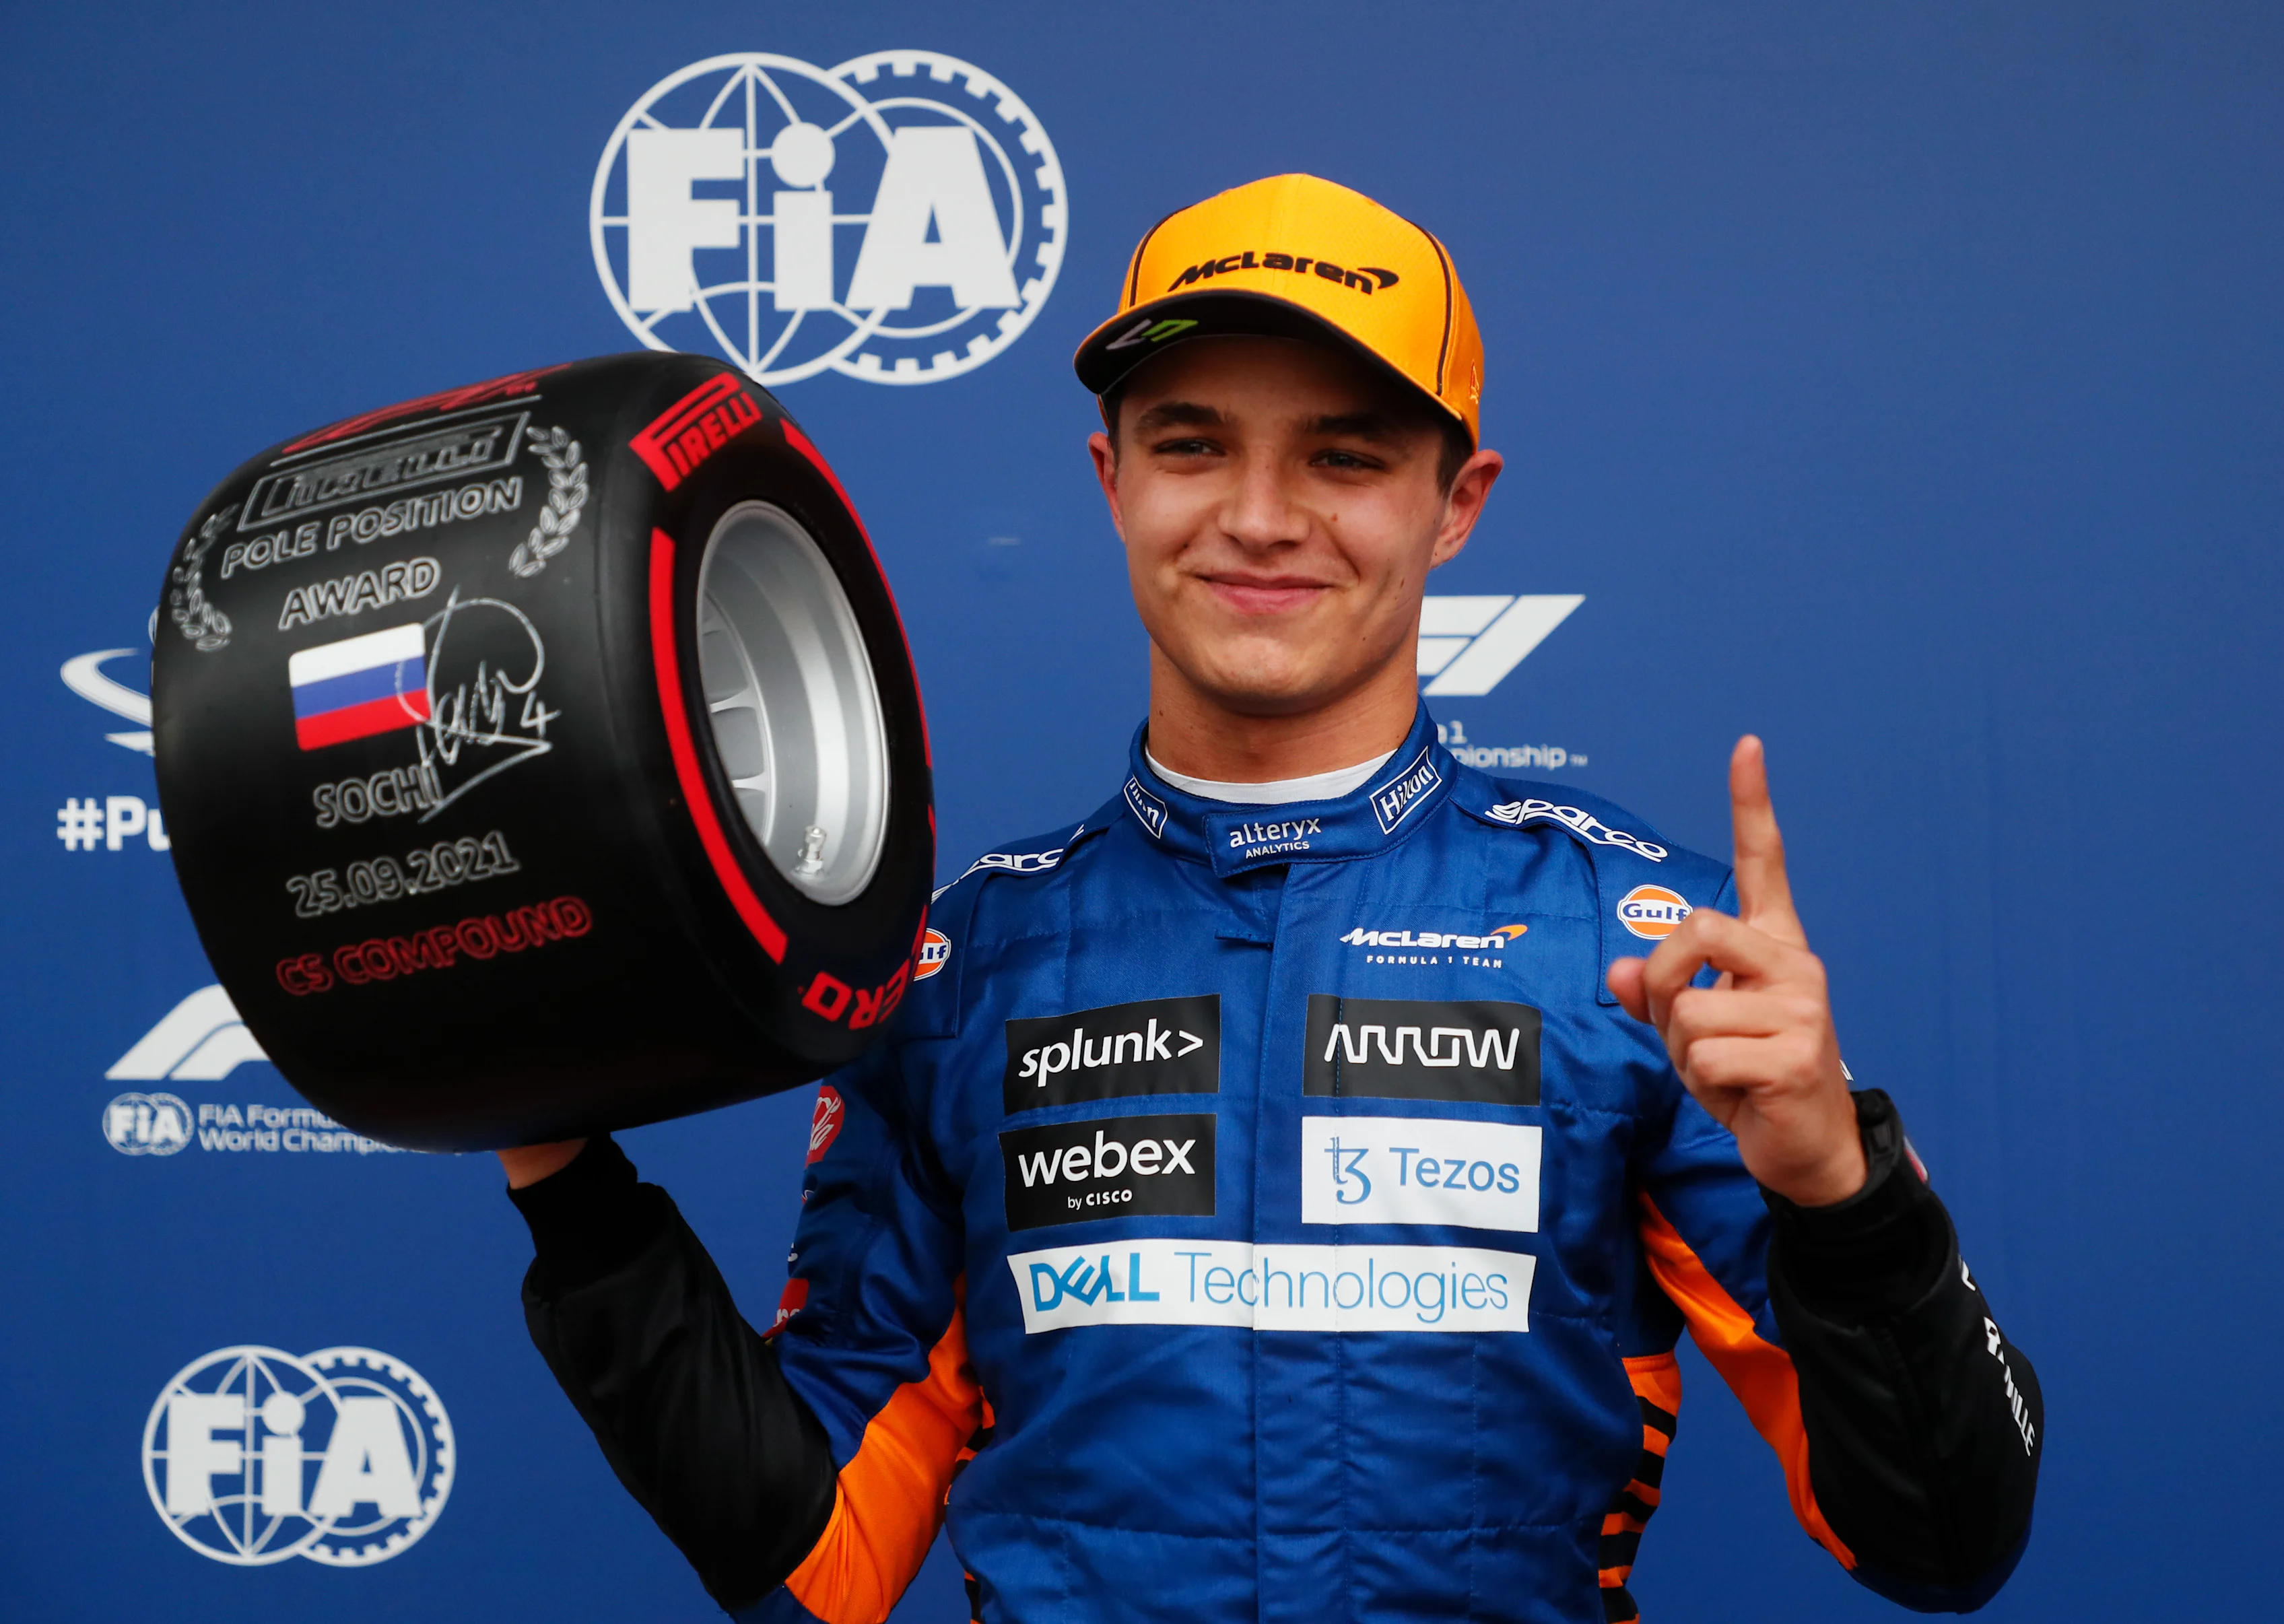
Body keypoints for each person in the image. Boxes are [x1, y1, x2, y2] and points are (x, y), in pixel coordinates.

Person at [500, 174, 2042, 1623]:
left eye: (1345, 454)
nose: (1257, 514)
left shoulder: (1636, 943)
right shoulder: (961, 967)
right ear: (1111, 482)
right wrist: (564, 1171)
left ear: (1458, 504)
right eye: (1191, 444)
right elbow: (818, 1560)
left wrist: (1847, 1198)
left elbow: (1938, 1540)